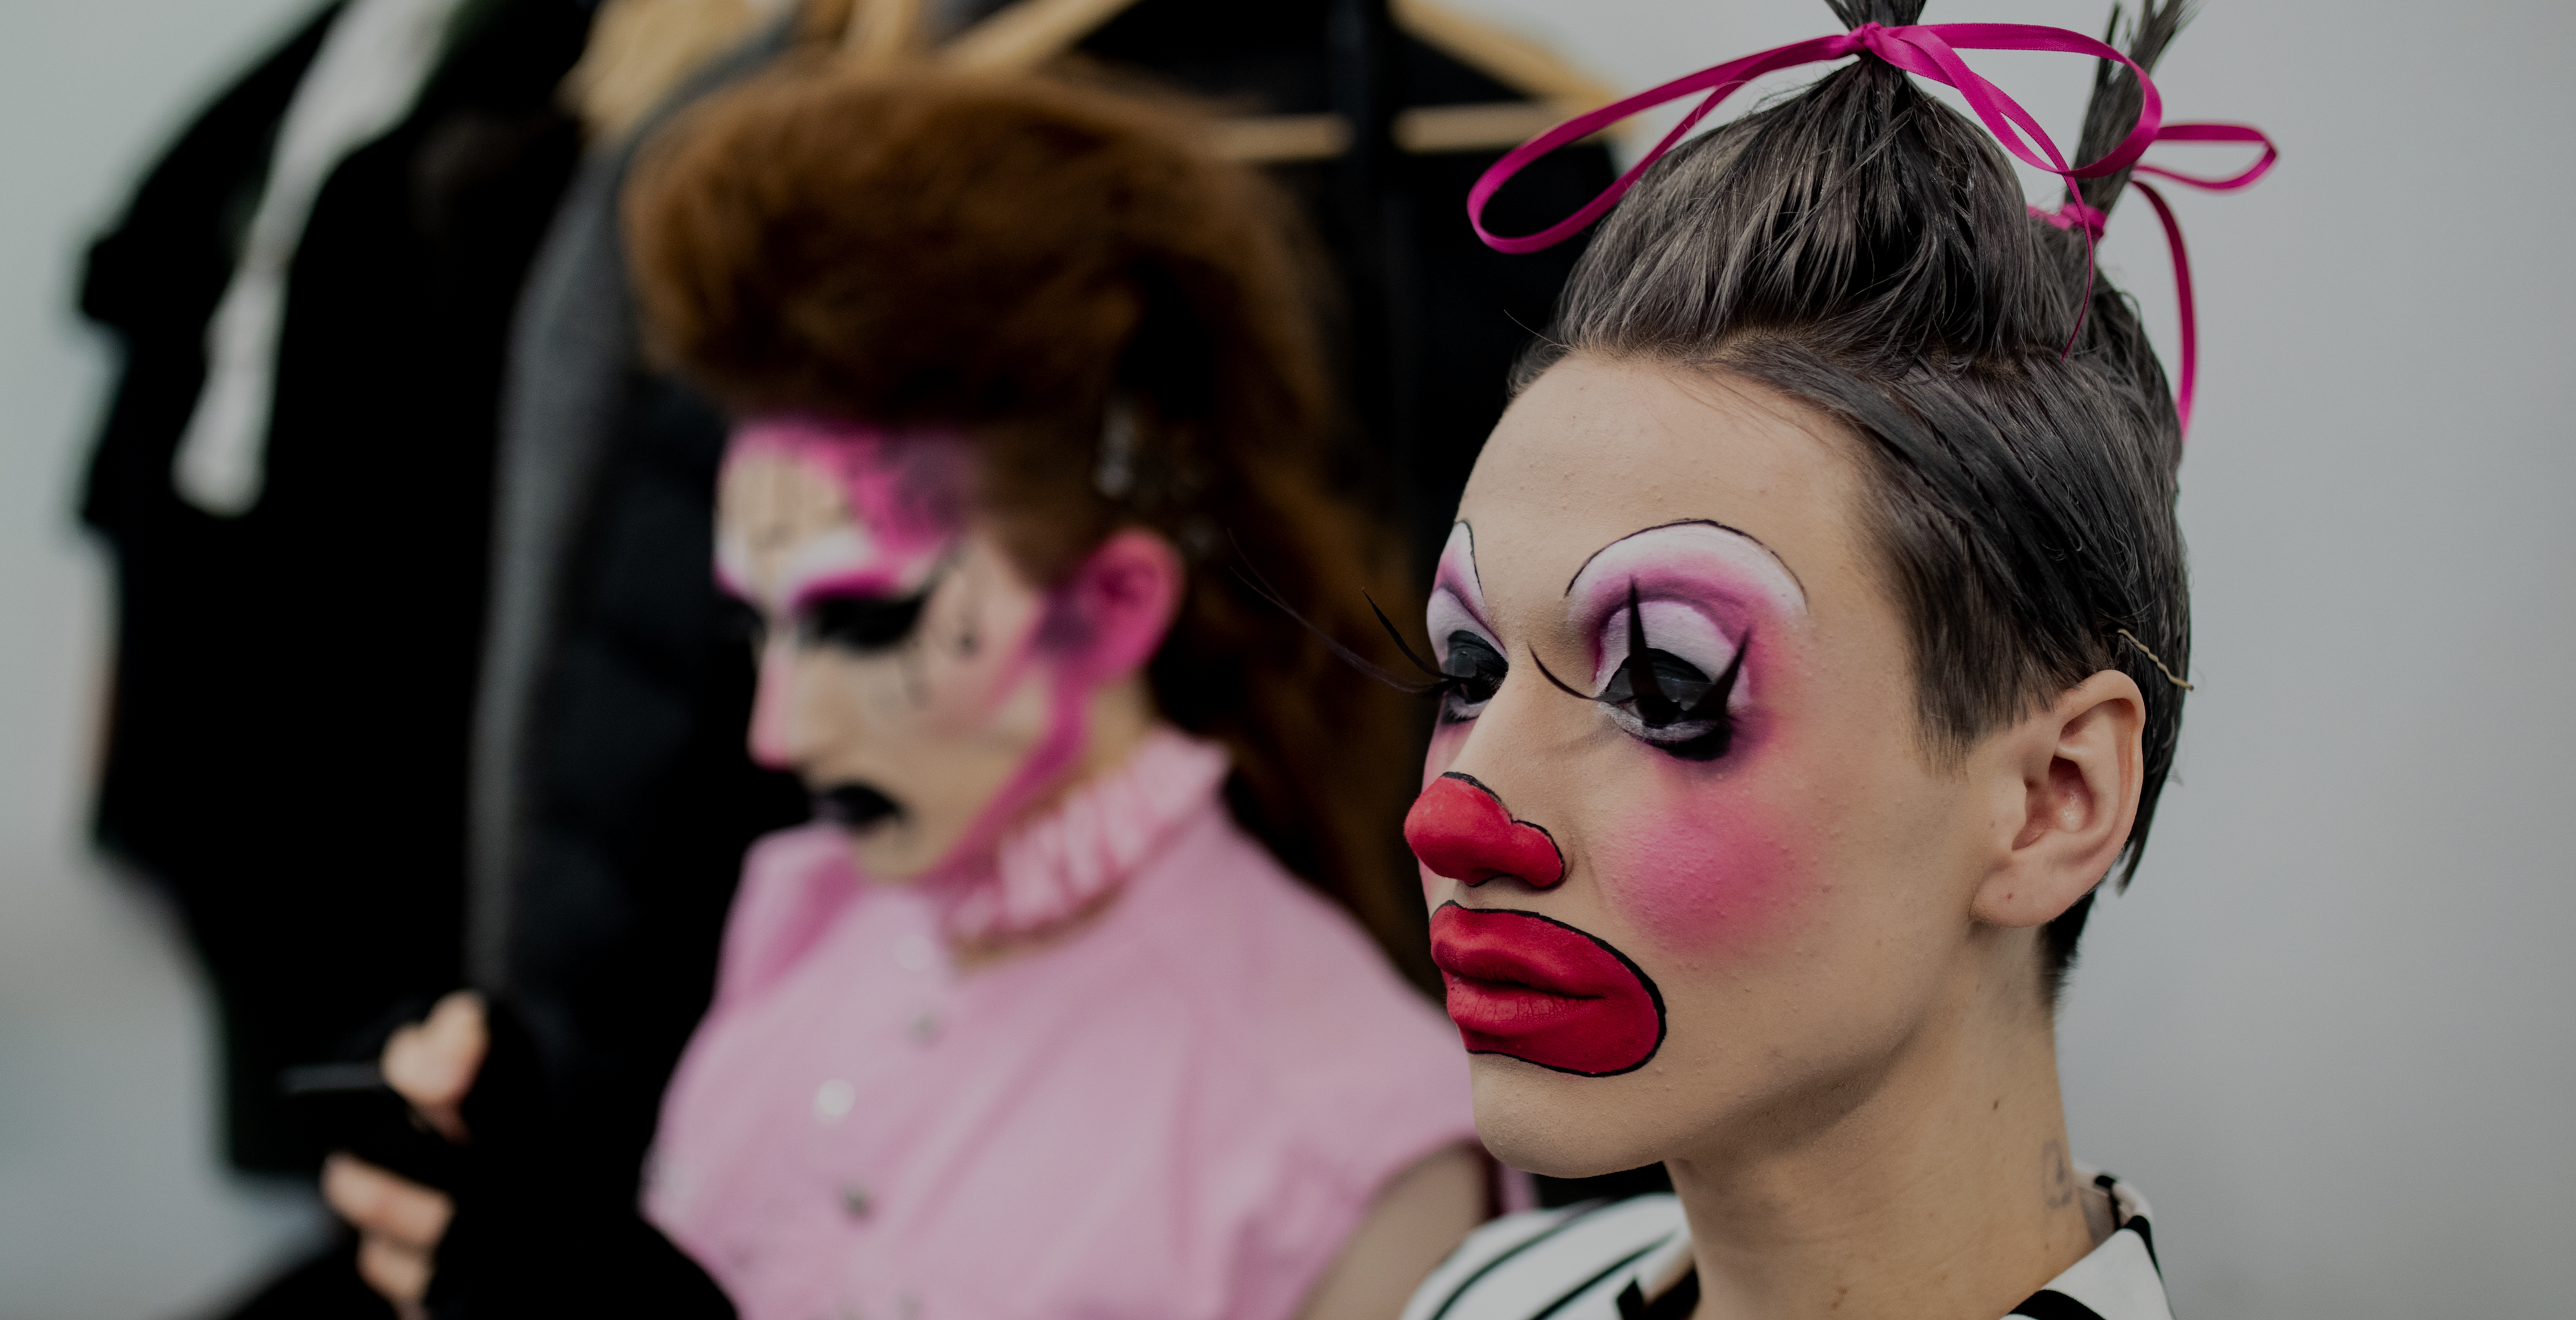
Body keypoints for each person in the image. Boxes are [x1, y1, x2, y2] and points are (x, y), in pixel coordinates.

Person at [327, 69, 1492, 1319]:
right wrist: (535, 1186)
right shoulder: (811, 912)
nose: (780, 733)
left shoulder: (1353, 1143)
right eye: (757, 627)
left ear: (1109, 608)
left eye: (859, 622)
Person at [1388, 1, 2270, 1317]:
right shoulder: (1486, 1292)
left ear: (2052, 799)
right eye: (1468, 672)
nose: (1452, 817)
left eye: (1665, 689)